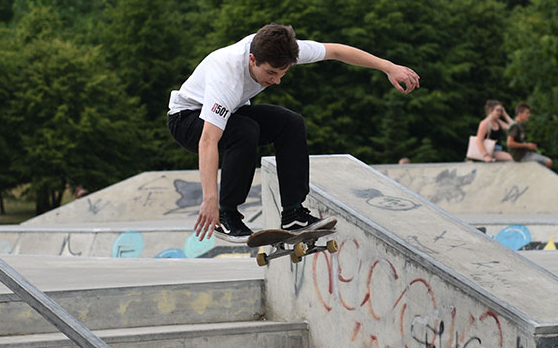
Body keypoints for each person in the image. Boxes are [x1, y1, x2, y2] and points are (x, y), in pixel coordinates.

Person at [168, 23, 420, 243]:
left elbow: (335, 51)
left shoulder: (284, 49)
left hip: (231, 116)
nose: (276, 81)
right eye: (270, 73)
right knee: (245, 130)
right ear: (252, 59)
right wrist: (209, 199)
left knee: (291, 123)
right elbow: (208, 140)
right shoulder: (227, 74)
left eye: (282, 74)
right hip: (186, 120)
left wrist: (388, 66)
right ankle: (227, 214)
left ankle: (293, 214)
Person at [507, 102, 552, 168]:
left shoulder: (520, 125)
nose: (529, 115)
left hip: (525, 153)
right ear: (520, 113)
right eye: (527, 113)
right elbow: (509, 143)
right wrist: (527, 145)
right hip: (521, 157)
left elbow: (520, 142)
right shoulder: (515, 126)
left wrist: (530, 145)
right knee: (548, 162)